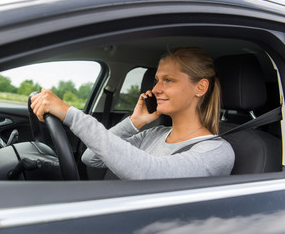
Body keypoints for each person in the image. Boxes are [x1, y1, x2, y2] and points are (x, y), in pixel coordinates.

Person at [31, 47, 235, 180]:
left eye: (169, 80)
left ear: (200, 88)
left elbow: (150, 174)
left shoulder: (216, 151)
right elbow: (91, 158)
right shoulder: (154, 134)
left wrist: (70, 114)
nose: (156, 89)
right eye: (157, 80)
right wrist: (135, 121)